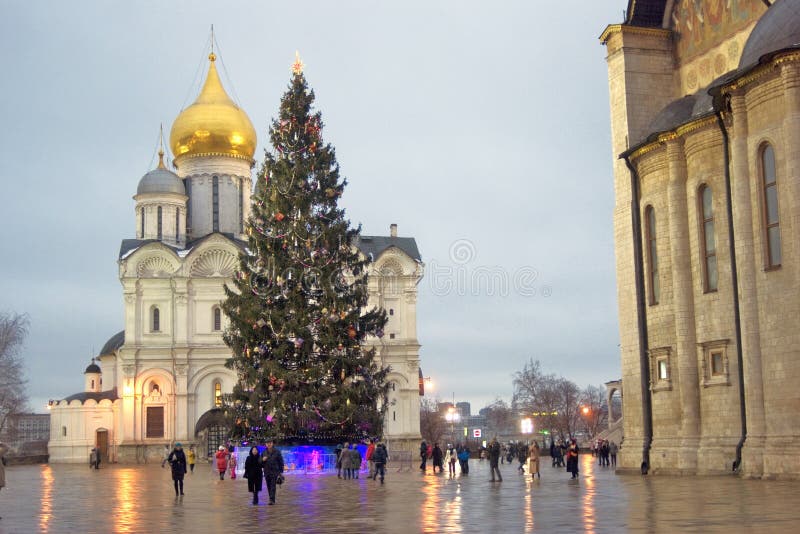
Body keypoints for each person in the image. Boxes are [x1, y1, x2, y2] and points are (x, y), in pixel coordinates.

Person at [261, 439, 284, 505]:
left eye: (270, 443)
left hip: (275, 471)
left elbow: (281, 462)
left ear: (272, 443)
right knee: (268, 485)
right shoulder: (264, 452)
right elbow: (260, 461)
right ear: (266, 444)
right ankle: (271, 498)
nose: (269, 444)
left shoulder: (277, 452)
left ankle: (272, 499)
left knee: (273, 485)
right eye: (267, 443)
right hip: (267, 471)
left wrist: (280, 472)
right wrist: (262, 460)